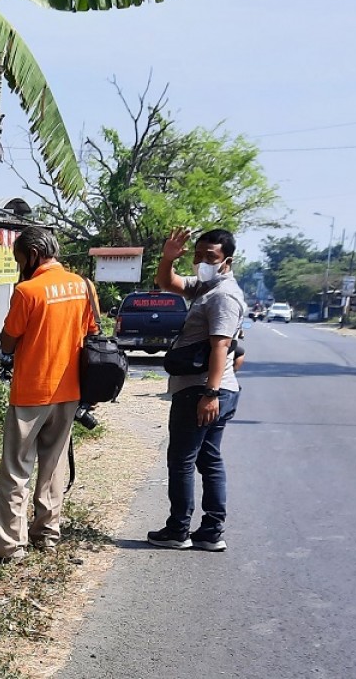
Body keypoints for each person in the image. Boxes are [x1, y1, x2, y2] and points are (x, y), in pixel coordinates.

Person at [0, 227, 100, 561]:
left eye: (19, 258)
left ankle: (9, 546)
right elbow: (93, 333)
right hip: (69, 393)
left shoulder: (27, 291)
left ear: (33, 255)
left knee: (16, 469)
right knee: (52, 467)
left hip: (31, 393)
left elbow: (8, 341)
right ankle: (47, 535)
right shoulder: (84, 286)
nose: (19, 264)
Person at [147, 227, 245, 552]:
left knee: (182, 460)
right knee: (208, 458)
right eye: (199, 255)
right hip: (209, 389)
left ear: (227, 261)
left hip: (202, 390)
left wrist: (210, 394)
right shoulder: (207, 287)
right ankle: (210, 532)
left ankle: (179, 529)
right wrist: (168, 258)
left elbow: (221, 345)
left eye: (211, 257)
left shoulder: (223, 296)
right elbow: (168, 283)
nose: (202, 261)